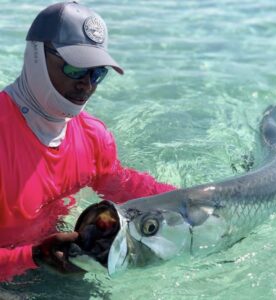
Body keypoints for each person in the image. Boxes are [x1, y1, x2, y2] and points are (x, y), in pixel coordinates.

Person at [0, 1, 176, 281]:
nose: (88, 84)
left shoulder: (94, 136)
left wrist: (195, 202)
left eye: (97, 73)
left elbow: (121, 182)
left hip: (52, 261)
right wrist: (32, 256)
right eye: (75, 68)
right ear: (35, 55)